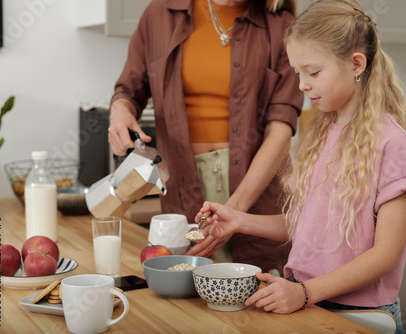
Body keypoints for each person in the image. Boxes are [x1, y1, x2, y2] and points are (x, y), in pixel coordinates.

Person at [195, 1, 406, 332]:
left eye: (313, 72)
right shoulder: (319, 133)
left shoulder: (393, 143)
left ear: (356, 64)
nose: (302, 85)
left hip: (360, 316)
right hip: (309, 305)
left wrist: (304, 293)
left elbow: (386, 254)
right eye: (298, 73)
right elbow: (308, 224)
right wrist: (238, 221)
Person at [108, 0, 303, 273]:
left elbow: (281, 130)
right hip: (184, 187)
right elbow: (128, 91)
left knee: (260, 298)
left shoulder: (281, 27)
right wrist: (120, 112)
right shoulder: (159, 15)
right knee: (188, 302)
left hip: (257, 193)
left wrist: (235, 212)